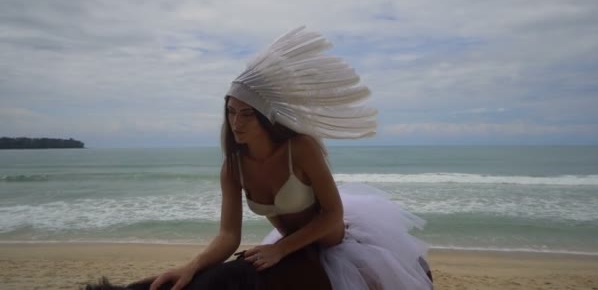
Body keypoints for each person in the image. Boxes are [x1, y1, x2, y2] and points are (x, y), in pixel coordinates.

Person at [147, 27, 433, 290]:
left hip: (334, 246)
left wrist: (280, 249)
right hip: (288, 247)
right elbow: (228, 236)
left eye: (247, 114)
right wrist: (191, 267)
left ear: (265, 118)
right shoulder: (233, 169)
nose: (237, 122)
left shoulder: (300, 148)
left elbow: (333, 214)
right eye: (231, 112)